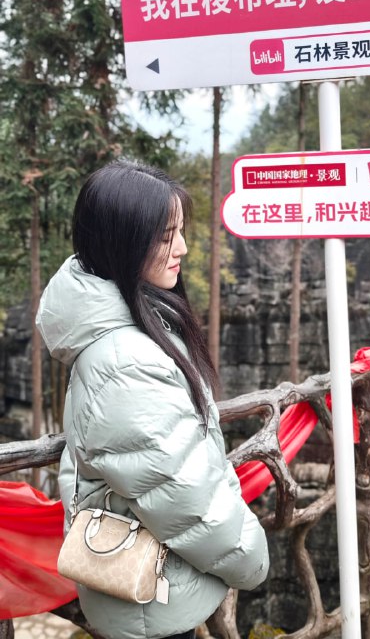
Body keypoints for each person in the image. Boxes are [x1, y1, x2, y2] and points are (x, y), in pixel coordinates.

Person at [36, 159, 269, 639]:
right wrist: (251, 561)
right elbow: (180, 492)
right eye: (166, 236)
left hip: (155, 587)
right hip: (150, 597)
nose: (181, 248)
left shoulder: (132, 323)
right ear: (123, 241)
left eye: (180, 232)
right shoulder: (125, 361)